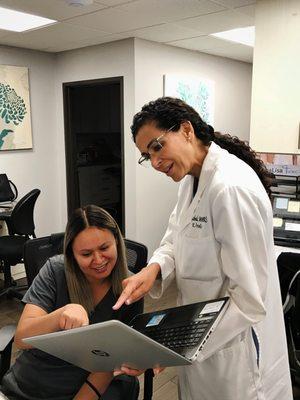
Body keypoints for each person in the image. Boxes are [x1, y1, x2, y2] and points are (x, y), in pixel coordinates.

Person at [113, 97, 293, 400]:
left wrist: (174, 346)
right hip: (200, 332)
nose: (155, 162)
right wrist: (153, 269)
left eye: (157, 146)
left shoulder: (229, 189)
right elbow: (174, 237)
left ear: (186, 130)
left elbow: (249, 301)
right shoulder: (190, 179)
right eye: (147, 155)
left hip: (236, 353)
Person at [1, 205, 143, 400]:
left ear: (117, 243)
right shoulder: (55, 271)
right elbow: (22, 338)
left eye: (104, 248)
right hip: (33, 381)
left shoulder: (131, 287)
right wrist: (60, 315)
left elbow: (112, 361)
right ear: (72, 255)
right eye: (86, 254)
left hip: (88, 383)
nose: (98, 260)